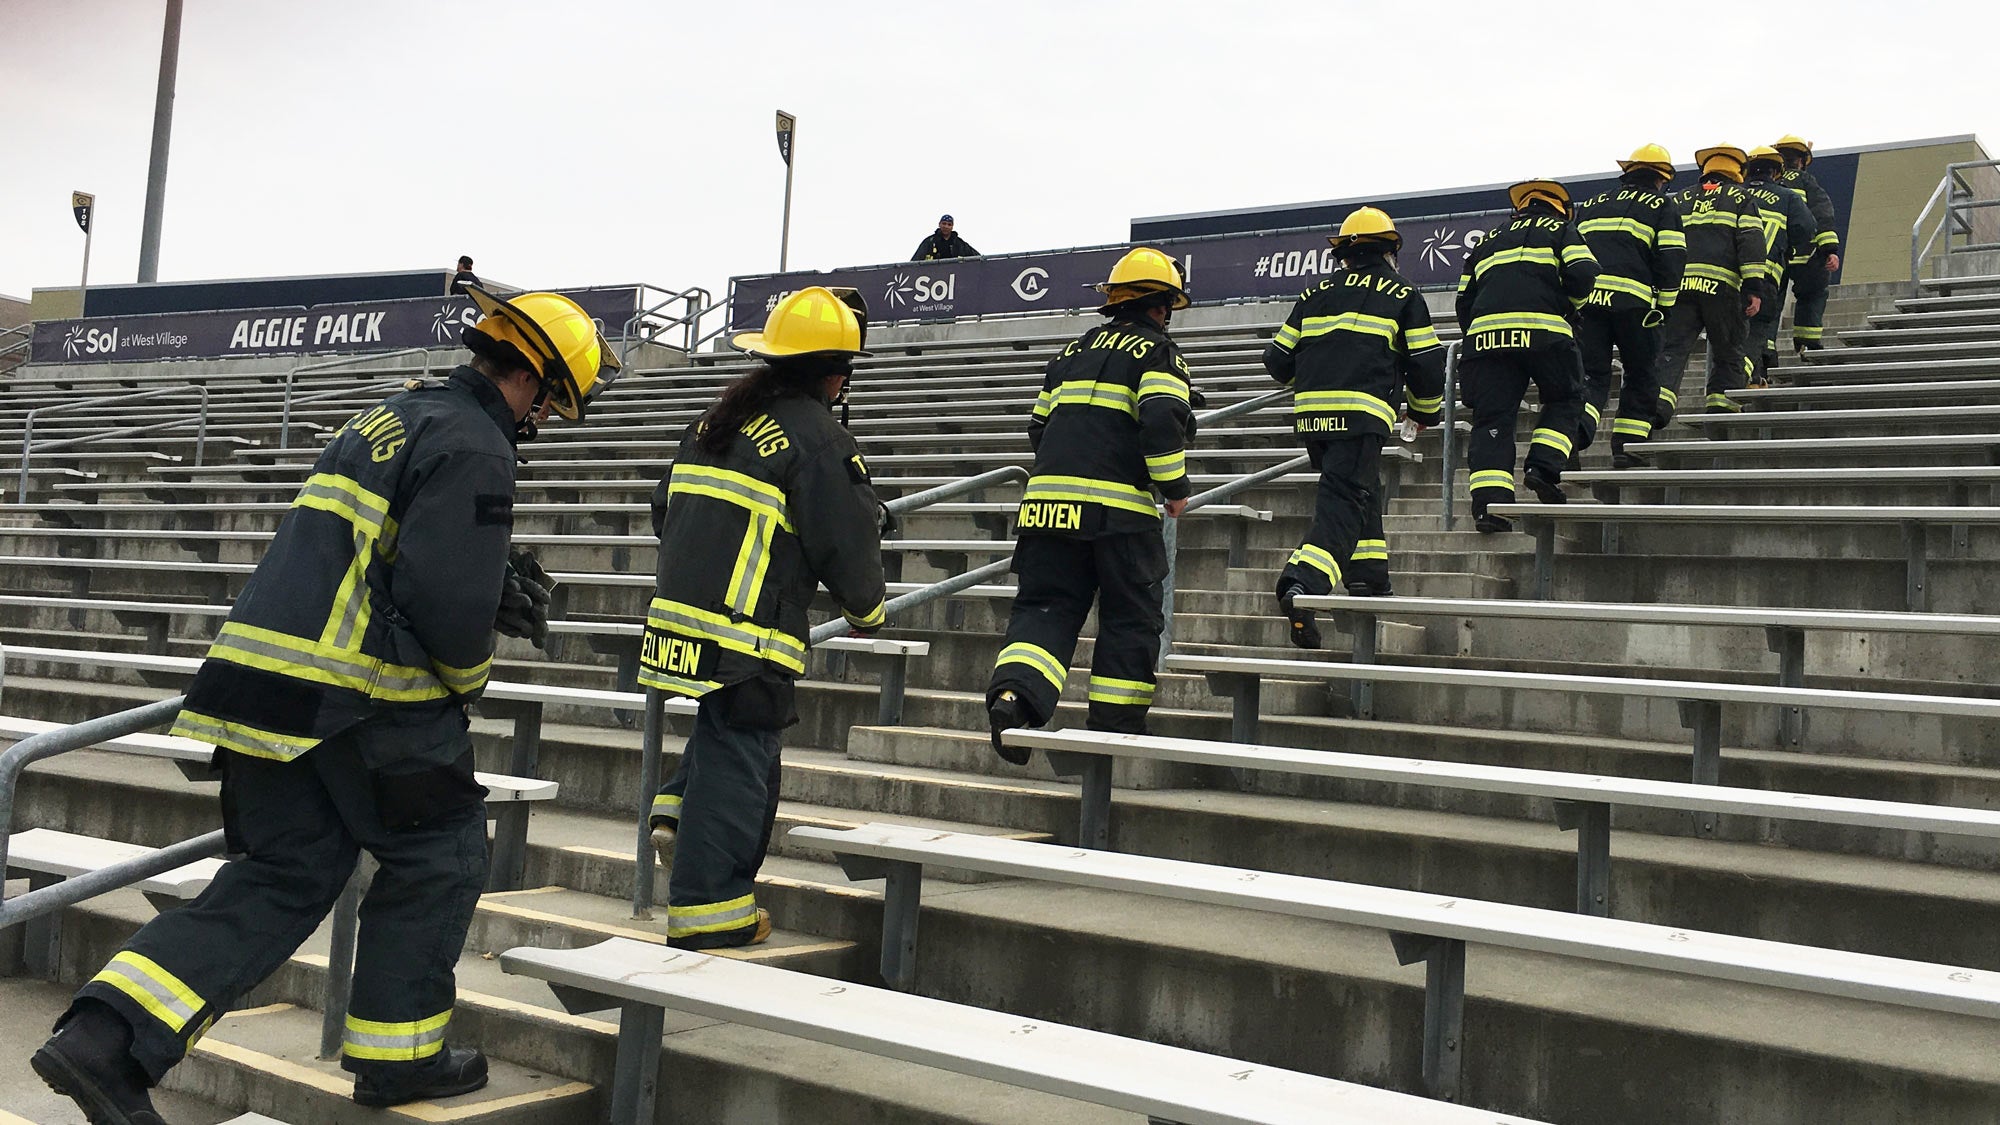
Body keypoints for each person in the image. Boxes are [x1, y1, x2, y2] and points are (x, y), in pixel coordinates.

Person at [31, 287, 619, 1119]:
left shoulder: (393, 415)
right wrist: (470, 670)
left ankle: (105, 1041)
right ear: (530, 376)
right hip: (359, 698)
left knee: (284, 873)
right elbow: (444, 609)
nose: (544, 419)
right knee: (443, 854)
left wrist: (481, 580)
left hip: (260, 684)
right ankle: (399, 1059)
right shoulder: (478, 442)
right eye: (551, 402)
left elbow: (379, 556)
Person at [640, 286, 886, 950]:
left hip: (679, 621)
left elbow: (664, 509)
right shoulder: (820, 437)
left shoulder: (716, 420)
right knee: (743, 759)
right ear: (835, 374)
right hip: (747, 631)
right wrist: (866, 611)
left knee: (724, 733)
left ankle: (675, 809)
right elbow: (847, 540)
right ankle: (710, 913)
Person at [986, 247, 1195, 761]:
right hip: (1119, 517)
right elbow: (1162, 421)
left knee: (1044, 610)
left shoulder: (1068, 354)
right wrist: (1174, 488)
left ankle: (1015, 700)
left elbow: (1038, 428)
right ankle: (1113, 731)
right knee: (1130, 619)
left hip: (1044, 510)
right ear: (1161, 306)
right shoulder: (1160, 354)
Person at [1264, 207, 1444, 647]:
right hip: (1361, 415)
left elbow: (1277, 361)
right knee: (1343, 503)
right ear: (1390, 251)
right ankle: (1302, 585)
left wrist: (1315, 375)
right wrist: (1424, 412)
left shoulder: (1314, 293)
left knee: (1360, 489)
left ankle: (1368, 576)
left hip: (1313, 418)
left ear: (1344, 254)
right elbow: (1426, 362)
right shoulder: (1403, 292)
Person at [1454, 179, 1599, 533]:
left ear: (1519, 207)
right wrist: (1570, 307)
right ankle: (1542, 468)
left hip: (1486, 341)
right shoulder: (1562, 231)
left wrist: (1480, 331)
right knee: (1566, 398)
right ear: (1561, 209)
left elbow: (1463, 299)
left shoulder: (1488, 240)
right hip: (1545, 334)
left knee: (1491, 420)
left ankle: (1491, 508)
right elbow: (1584, 272)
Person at [1569, 145, 1686, 468]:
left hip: (1589, 305)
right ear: (1661, 179)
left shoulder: (1592, 204)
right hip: (1635, 306)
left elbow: (1573, 257)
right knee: (1640, 374)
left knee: (1591, 376)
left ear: (1628, 172)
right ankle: (1628, 450)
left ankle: (1571, 438)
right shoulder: (1663, 205)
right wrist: (1665, 307)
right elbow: (1672, 258)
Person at [1648, 146, 1773, 429]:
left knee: (1672, 349)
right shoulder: (1742, 198)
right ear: (1738, 171)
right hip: (1723, 289)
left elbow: (1663, 244)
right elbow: (1751, 242)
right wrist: (1754, 287)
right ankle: (1720, 406)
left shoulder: (1680, 199)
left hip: (1681, 288)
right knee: (1728, 350)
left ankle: (1657, 405)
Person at [1740, 146, 1818, 386]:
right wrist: (1791, 250)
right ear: (1775, 172)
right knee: (1755, 331)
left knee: (1730, 334)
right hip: (1765, 276)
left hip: (1728, 277)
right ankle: (1741, 378)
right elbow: (1806, 229)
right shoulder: (1787, 196)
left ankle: (1750, 379)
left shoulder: (1734, 194)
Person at [1772, 135, 1842, 356]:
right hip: (1806, 254)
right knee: (1813, 294)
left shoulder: (1768, 184)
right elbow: (1822, 213)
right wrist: (1829, 250)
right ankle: (1807, 344)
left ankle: (1765, 352)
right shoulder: (1806, 180)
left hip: (1773, 255)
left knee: (1770, 302)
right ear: (1801, 160)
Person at [912, 215, 978, 261]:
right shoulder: (929, 242)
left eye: (949, 224)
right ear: (939, 224)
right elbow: (915, 261)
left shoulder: (960, 243)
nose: (946, 226)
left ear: (952, 227)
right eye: (944, 223)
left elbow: (977, 257)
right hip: (934, 274)